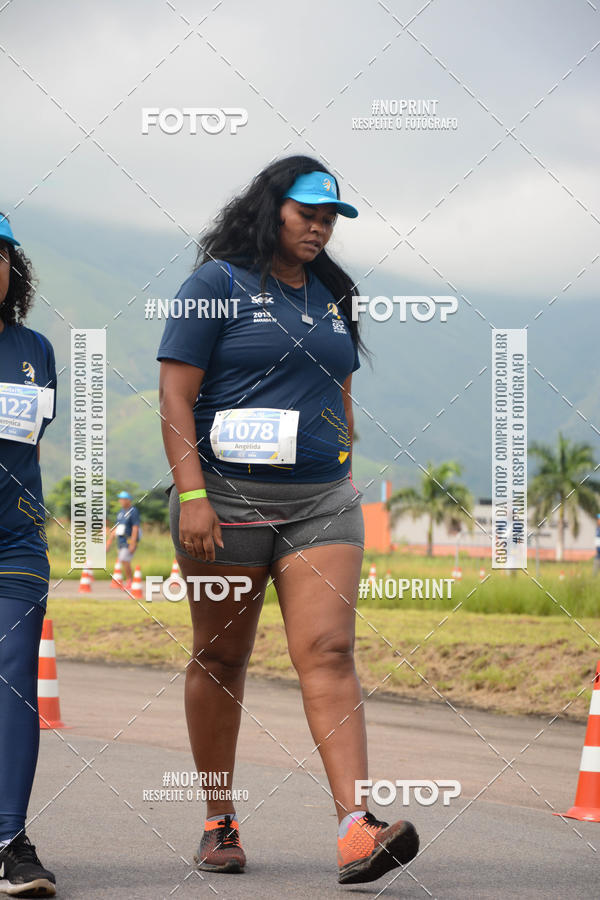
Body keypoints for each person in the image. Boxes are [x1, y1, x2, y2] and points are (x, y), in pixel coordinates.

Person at [157, 156, 419, 884]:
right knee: (221, 657)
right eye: (308, 212)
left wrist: (341, 441)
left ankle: (355, 829)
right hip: (227, 500)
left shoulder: (334, 293)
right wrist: (195, 494)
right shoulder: (216, 284)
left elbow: (336, 381)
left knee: (330, 651)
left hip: (322, 502)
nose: (319, 226)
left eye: (329, 216)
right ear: (271, 208)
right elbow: (176, 395)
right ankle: (218, 820)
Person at [0, 214, 57, 896]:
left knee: (15, 670)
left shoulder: (35, 349)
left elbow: (28, 445)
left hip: (14, 541)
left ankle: (11, 842)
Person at [106, 491, 141, 589]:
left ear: (128, 500)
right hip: (120, 541)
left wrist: (133, 543)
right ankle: (129, 580)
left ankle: (130, 581)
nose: (120, 501)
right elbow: (117, 528)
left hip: (128, 541)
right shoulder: (120, 513)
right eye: (120, 499)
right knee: (124, 560)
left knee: (124, 559)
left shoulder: (133, 511)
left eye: (123, 499)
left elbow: (135, 527)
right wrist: (109, 542)